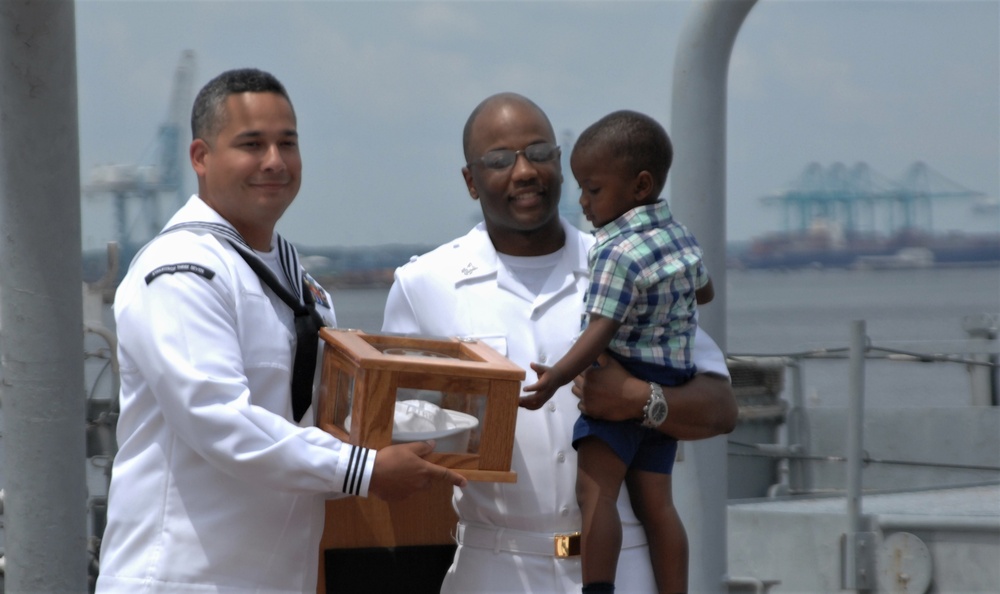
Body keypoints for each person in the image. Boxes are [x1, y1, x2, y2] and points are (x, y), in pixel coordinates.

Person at [96, 68, 466, 594]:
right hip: (179, 578)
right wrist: (364, 470)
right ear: (201, 157)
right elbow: (219, 421)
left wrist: (449, 417)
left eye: (286, 143)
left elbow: (323, 421)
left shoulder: (301, 283)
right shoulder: (182, 271)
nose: (274, 161)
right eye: (252, 144)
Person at [381, 92, 737, 593]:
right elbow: (391, 423)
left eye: (541, 153)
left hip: (624, 569)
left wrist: (640, 399)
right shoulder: (425, 286)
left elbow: (720, 408)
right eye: (500, 160)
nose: (524, 171)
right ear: (470, 180)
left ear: (562, 167)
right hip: (496, 567)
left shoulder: (630, 263)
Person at [518, 110, 711, 593]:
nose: (582, 202)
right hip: (673, 379)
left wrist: (556, 378)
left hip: (621, 377)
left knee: (596, 492)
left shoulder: (614, 249)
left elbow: (601, 329)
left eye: (594, 190)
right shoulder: (680, 235)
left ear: (639, 185)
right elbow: (703, 293)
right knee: (657, 504)